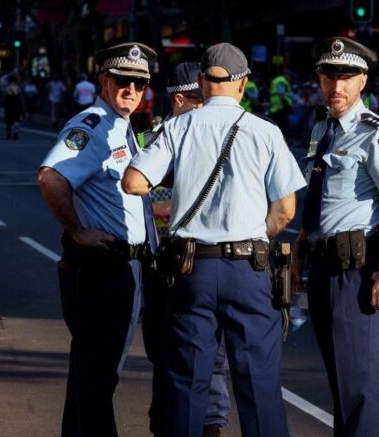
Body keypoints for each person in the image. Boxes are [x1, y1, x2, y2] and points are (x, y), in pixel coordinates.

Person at [123, 42, 306, 437]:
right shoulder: (265, 132)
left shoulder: (177, 127)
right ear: (242, 85)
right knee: (258, 384)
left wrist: (181, 188)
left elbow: (134, 181)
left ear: (203, 82)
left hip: (192, 269)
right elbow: (286, 210)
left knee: (188, 381)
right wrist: (253, 231)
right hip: (249, 266)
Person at [290, 36, 379, 437]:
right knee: (340, 383)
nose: (336, 86)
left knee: (359, 389)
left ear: (363, 81)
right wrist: (299, 250)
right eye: (329, 75)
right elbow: (321, 197)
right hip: (325, 267)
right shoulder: (323, 128)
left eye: (346, 77)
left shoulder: (377, 133)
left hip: (357, 272)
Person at [37, 41, 158, 437]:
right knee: (98, 372)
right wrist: (76, 230)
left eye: (139, 84)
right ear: (104, 81)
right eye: (123, 81)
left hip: (125, 265)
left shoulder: (121, 127)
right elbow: (51, 177)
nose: (131, 90)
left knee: (95, 371)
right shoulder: (91, 126)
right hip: (106, 266)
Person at [137, 61, 231, 437]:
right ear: (179, 99)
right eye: (199, 98)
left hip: (204, 261)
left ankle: (210, 426)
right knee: (163, 354)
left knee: (211, 357)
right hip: (161, 261)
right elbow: (122, 192)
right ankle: (165, 422)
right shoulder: (148, 140)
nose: (207, 105)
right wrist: (156, 208)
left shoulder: (219, 139)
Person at [269, 71, 293, 136]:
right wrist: (288, 105)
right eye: (291, 76)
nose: (291, 78)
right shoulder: (282, 82)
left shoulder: (277, 80)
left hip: (276, 107)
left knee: (275, 124)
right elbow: (282, 94)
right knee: (283, 125)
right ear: (287, 75)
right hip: (281, 106)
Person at [3, 75, 25, 140]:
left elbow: (5, 96)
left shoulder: (7, 88)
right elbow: (21, 98)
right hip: (16, 106)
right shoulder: (18, 88)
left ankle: (8, 134)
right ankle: (16, 133)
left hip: (9, 106)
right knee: (16, 120)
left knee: (8, 121)